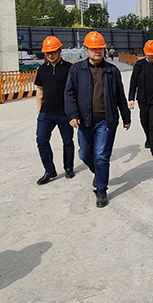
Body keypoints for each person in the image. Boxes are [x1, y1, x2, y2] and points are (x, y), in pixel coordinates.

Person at [64, 31, 131, 208]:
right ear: (86, 50)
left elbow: (120, 96)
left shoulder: (112, 71)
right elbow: (69, 94)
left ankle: (101, 190)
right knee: (84, 154)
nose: (97, 51)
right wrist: (72, 114)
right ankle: (98, 172)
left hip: (106, 122)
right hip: (84, 121)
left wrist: (126, 116)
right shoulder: (76, 70)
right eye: (93, 49)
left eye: (100, 48)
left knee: (101, 156)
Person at [34, 36, 75, 185]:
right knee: (41, 140)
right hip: (46, 113)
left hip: (65, 113)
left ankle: (68, 167)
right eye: (47, 53)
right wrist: (40, 110)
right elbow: (39, 90)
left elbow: (75, 91)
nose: (50, 55)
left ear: (60, 51)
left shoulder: (69, 69)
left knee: (67, 141)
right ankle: (49, 170)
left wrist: (74, 112)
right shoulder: (42, 69)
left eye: (53, 52)